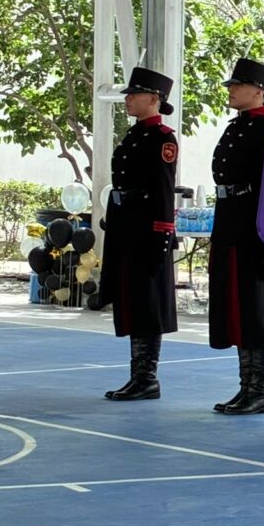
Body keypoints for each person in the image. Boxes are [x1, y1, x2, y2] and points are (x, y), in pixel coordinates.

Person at [208, 58, 264, 415]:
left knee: (256, 309)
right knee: (238, 307)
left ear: (260, 92)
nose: (232, 90)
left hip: (255, 228)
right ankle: (246, 387)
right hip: (230, 222)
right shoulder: (237, 127)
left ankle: (260, 390)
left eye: (238, 85)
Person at [100, 66, 178, 401]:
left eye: (135, 93)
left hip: (147, 231)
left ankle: (147, 378)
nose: (128, 99)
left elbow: (163, 191)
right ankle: (139, 376)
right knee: (133, 300)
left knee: (148, 303)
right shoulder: (134, 135)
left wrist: (162, 234)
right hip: (127, 228)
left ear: (154, 98)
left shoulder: (163, 138)